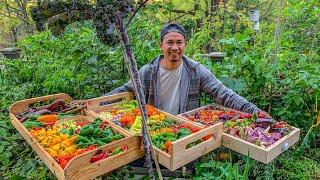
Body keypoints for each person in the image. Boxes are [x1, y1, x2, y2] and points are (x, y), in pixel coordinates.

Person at [107, 23, 271, 117]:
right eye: (170, 42)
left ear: (185, 44)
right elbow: (122, 92)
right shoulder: (147, 72)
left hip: (185, 131)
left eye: (179, 42)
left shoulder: (195, 71)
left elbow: (223, 93)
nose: (175, 47)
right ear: (161, 45)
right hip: (155, 129)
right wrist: (89, 105)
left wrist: (255, 112)